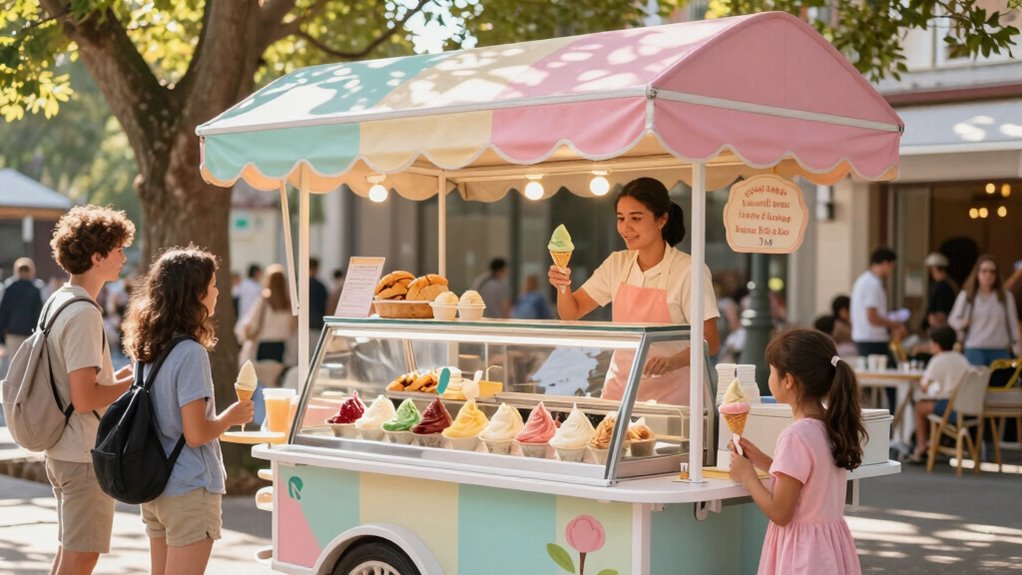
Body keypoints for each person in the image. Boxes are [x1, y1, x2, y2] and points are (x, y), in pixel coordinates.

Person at [121, 246, 254, 575]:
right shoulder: (191, 352)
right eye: (212, 284)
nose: (217, 291)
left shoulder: (146, 348)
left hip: (154, 485)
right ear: (195, 294)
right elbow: (196, 434)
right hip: (188, 486)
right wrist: (231, 417)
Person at [548, 177, 720, 405]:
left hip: (674, 401)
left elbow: (710, 340)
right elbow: (571, 312)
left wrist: (671, 361)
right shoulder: (616, 264)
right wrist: (563, 285)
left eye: (636, 219)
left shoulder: (688, 271)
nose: (625, 228)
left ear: (662, 220)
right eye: (621, 219)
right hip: (621, 396)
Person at [45, 205, 136, 575]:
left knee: (70, 551)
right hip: (82, 452)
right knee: (82, 556)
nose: (123, 257)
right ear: (97, 257)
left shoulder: (59, 299)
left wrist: (118, 378)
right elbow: (84, 398)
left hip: (63, 446)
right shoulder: (84, 313)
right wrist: (134, 383)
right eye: (117, 250)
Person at [729, 328, 865, 574]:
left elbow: (780, 512)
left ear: (788, 380)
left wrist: (747, 476)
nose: (769, 377)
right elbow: (808, 485)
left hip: (803, 555)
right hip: (829, 550)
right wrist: (763, 460)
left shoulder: (796, 435)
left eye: (771, 371)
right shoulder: (830, 424)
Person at [850, 247, 904, 412]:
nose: (891, 271)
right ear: (885, 264)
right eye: (891, 267)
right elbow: (872, 316)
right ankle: (893, 421)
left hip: (864, 337)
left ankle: (870, 421)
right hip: (874, 339)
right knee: (893, 382)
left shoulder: (863, 281)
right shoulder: (872, 284)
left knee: (868, 385)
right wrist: (895, 324)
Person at [909, 326, 970, 463]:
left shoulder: (938, 360)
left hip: (950, 407)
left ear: (936, 344)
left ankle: (921, 446)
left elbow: (924, 387)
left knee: (920, 407)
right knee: (931, 406)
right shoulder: (962, 359)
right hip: (968, 407)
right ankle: (933, 441)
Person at [948, 255, 1021, 366]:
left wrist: (1018, 349)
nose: (988, 275)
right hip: (974, 348)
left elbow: (1013, 323)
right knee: (977, 382)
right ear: (977, 273)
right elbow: (952, 319)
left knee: (1002, 382)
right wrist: (963, 323)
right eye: (984, 271)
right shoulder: (967, 295)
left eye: (992, 272)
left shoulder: (1005, 296)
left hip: (999, 349)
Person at [0, 257, 45, 368]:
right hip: (30, 333)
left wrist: (2, 334)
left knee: (14, 365)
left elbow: (4, 311)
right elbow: (39, 313)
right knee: (28, 366)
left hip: (12, 332)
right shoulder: (36, 288)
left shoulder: (9, 287)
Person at [923, 252, 957, 330]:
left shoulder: (943, 286)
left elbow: (940, 311)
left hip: (940, 325)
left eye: (931, 270)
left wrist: (935, 321)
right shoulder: (947, 284)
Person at [235, 264, 262, 332]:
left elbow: (235, 295)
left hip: (242, 318)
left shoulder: (243, 284)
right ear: (256, 273)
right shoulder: (257, 288)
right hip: (253, 320)